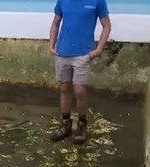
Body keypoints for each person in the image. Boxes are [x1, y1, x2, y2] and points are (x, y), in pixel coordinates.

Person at [48, 0, 111, 144]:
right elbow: (55, 23)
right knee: (64, 88)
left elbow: (106, 26)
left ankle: (82, 124)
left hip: (83, 54)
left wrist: (98, 49)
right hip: (62, 52)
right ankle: (65, 124)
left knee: (79, 90)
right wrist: (51, 45)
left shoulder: (97, 2)